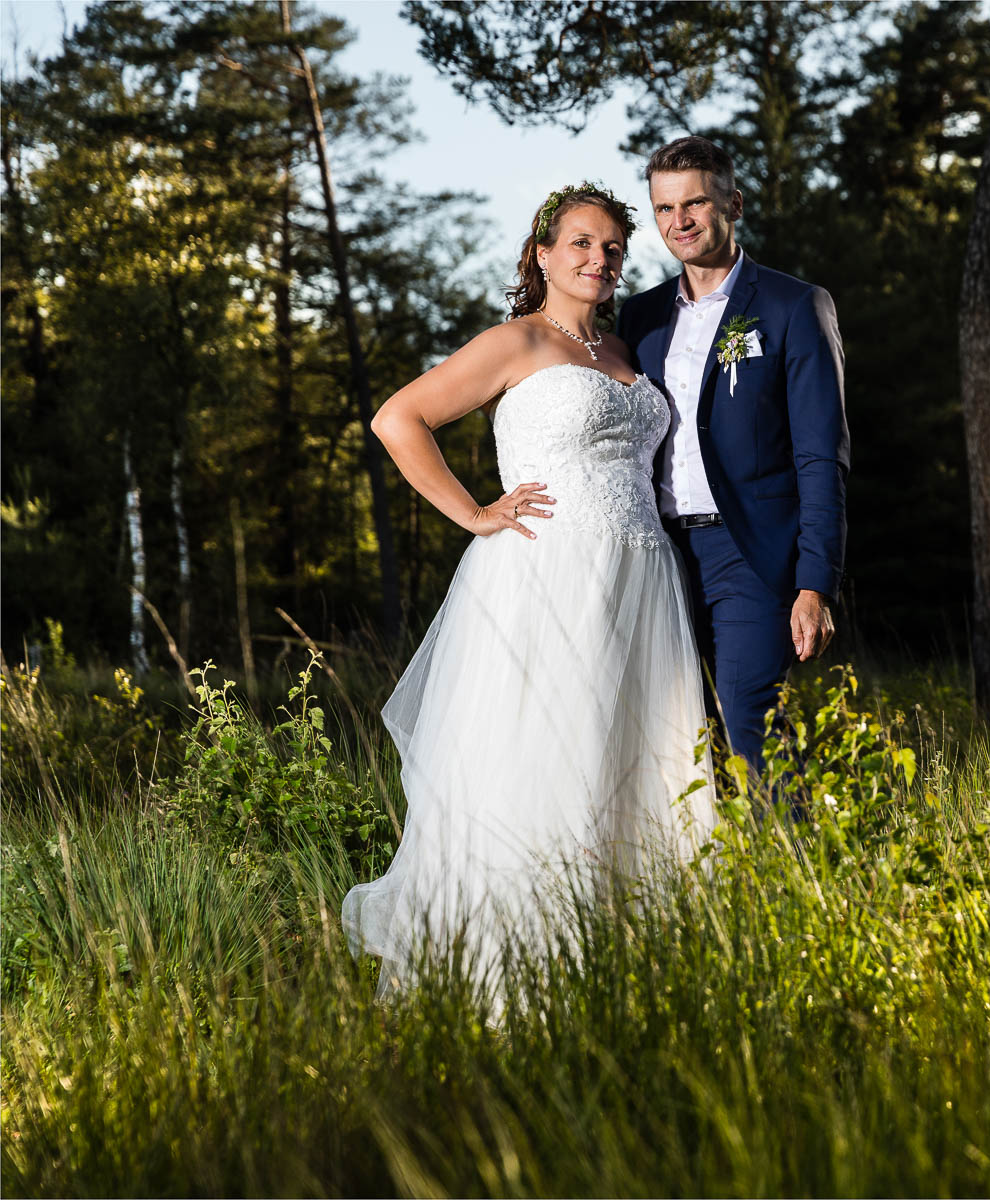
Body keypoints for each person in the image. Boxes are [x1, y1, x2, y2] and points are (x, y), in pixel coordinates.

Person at [342, 183, 715, 996]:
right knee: (550, 753)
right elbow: (398, 419)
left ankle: (624, 966)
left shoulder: (624, 354)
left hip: (641, 578)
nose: (600, 258)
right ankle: (516, 970)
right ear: (543, 254)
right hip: (546, 575)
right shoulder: (514, 343)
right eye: (581, 243)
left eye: (614, 246)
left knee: (634, 757)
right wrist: (474, 513)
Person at [616, 137, 850, 791]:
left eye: (694, 203)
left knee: (749, 714)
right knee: (681, 730)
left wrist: (815, 583)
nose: (679, 221)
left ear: (733, 205)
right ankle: (721, 887)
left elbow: (820, 455)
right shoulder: (640, 317)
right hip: (656, 552)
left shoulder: (792, 306)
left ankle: (805, 880)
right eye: (664, 208)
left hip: (749, 550)